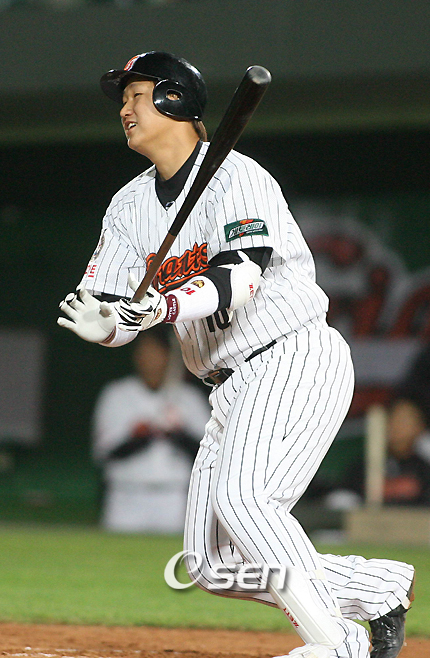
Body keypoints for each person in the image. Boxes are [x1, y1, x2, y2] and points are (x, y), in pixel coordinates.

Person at [57, 51, 415, 658]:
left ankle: (337, 644)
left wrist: (159, 308)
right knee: (211, 565)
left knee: (245, 502)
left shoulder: (236, 176)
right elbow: (116, 310)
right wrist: (107, 324)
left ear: (173, 99)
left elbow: (240, 277)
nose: (124, 109)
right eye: (124, 99)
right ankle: (374, 588)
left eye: (136, 95)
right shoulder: (128, 206)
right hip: (227, 382)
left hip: (290, 353)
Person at [92, 325, 209, 533]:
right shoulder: (117, 394)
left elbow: (206, 454)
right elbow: (105, 453)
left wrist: (177, 434)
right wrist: (143, 435)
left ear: (168, 356)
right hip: (126, 496)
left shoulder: (189, 397)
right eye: (144, 352)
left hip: (175, 497)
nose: (149, 358)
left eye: (155, 352)